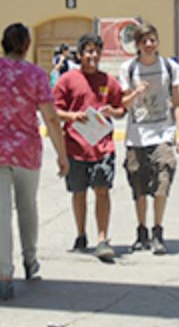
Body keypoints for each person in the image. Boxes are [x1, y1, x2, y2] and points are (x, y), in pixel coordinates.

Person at [0, 23, 68, 300]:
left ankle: (4, 273)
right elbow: (50, 117)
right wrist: (62, 154)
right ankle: (30, 259)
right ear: (27, 45)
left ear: (3, 43)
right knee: (27, 205)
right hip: (26, 151)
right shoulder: (36, 75)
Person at [53, 33, 125, 262]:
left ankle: (103, 239)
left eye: (96, 51)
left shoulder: (108, 81)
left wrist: (113, 112)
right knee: (79, 192)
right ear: (80, 54)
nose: (93, 56)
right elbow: (53, 111)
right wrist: (73, 116)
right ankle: (81, 234)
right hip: (75, 146)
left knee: (102, 190)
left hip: (103, 146)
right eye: (88, 51)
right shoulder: (67, 80)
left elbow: (121, 108)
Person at [118, 23, 179, 255]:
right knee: (138, 185)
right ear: (137, 44)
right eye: (144, 41)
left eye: (152, 40)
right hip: (136, 137)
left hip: (162, 133)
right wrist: (136, 92)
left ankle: (158, 230)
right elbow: (123, 104)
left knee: (163, 179)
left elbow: (177, 103)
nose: (149, 45)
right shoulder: (128, 69)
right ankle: (141, 231)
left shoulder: (170, 68)